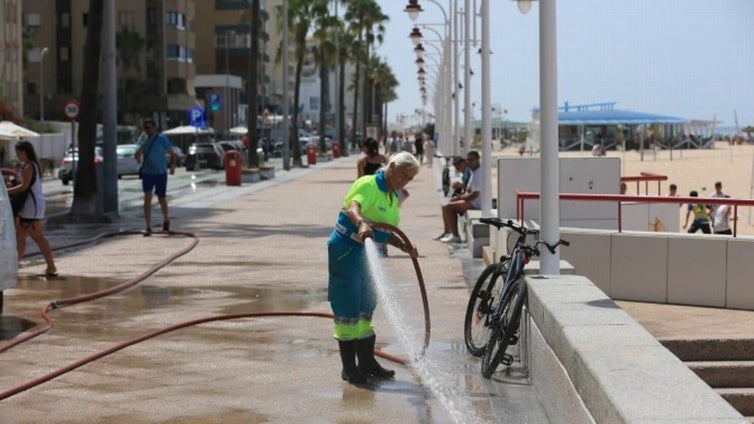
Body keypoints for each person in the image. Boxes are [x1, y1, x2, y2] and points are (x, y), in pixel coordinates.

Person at [327, 151, 420, 384]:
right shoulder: (368, 184)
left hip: (368, 253)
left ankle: (367, 362)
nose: (404, 181)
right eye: (403, 174)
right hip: (347, 250)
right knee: (347, 306)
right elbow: (353, 207)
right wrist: (361, 224)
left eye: (409, 179)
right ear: (393, 166)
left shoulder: (392, 195)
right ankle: (349, 369)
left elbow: (385, 232)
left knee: (366, 305)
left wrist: (404, 246)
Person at [7, 140, 57, 277]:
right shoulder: (30, 166)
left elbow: (24, 186)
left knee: (37, 237)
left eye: (18, 153)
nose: (17, 156)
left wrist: (6, 191)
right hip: (29, 206)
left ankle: (51, 266)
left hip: (32, 207)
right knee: (20, 236)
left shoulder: (29, 166)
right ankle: (14, 266)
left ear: (24, 152)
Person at [135, 118, 177, 236]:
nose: (148, 130)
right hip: (147, 173)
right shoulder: (143, 139)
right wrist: (141, 146)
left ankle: (166, 219)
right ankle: (148, 226)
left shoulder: (162, 139)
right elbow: (137, 155)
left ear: (154, 128)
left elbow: (172, 153)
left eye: (150, 127)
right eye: (146, 128)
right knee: (147, 197)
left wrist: (172, 165)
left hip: (160, 173)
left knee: (161, 199)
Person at [435, 151, 482, 243]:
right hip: (473, 201)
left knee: (448, 207)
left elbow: (474, 195)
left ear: (477, 160)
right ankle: (447, 232)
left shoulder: (479, 173)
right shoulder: (474, 172)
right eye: (467, 160)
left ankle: (455, 236)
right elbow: (469, 190)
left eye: (471, 160)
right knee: (445, 205)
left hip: (476, 204)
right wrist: (460, 193)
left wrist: (460, 198)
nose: (468, 162)